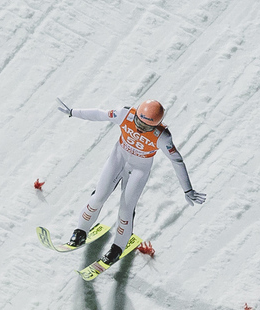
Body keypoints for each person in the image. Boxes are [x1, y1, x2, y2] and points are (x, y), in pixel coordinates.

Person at [56, 97, 206, 264]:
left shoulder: (162, 137)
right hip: (118, 160)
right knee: (98, 197)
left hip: (138, 170)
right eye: (139, 123)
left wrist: (187, 189)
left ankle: (117, 248)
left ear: (156, 125)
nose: (140, 129)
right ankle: (80, 231)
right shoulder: (125, 114)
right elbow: (100, 114)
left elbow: (177, 161)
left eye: (146, 127)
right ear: (136, 115)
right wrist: (73, 112)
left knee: (126, 210)